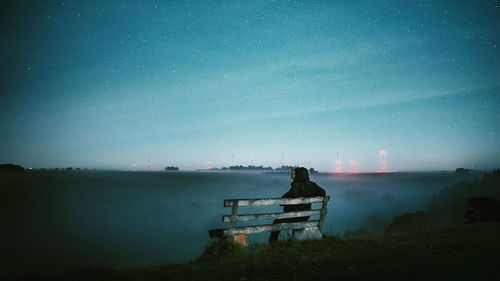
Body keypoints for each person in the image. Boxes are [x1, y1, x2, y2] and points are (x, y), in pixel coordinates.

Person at [268, 167, 326, 243]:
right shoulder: (312, 185)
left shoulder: (296, 185)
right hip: (305, 216)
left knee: (277, 222)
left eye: (294, 173)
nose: (291, 174)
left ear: (298, 174)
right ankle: (293, 241)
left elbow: (286, 199)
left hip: (293, 216)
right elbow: (323, 192)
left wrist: (285, 196)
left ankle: (273, 242)